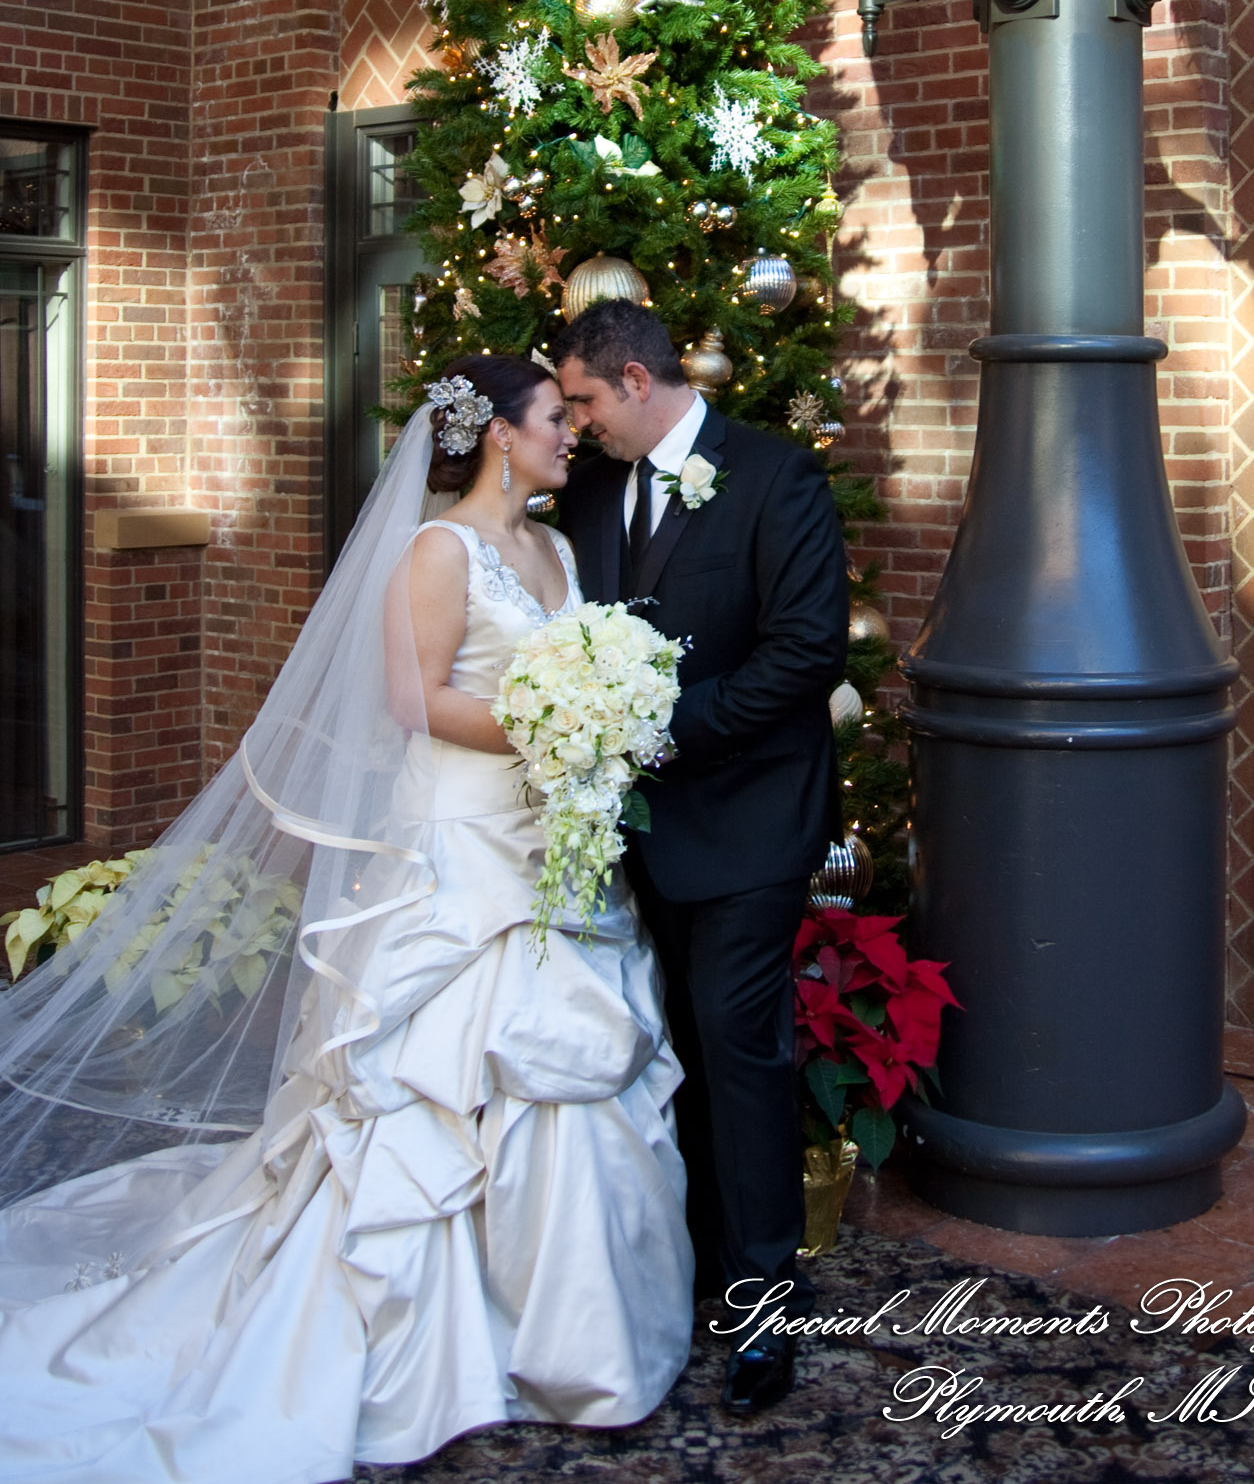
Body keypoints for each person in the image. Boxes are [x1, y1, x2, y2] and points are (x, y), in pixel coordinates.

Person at [0, 353, 693, 1482]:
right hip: (464, 856)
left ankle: (565, 1333)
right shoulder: (439, 550)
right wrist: (558, 722)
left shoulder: (560, 550)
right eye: (550, 418)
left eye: (573, 417)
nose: (569, 433)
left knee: (570, 1065)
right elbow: (414, 699)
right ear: (499, 437)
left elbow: (568, 671)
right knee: (435, 1079)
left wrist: (597, 720)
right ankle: (434, 1336)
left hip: (550, 848)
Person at [554, 299, 849, 1414]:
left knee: (738, 1042)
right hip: (631, 834)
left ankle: (764, 1302)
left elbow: (808, 649)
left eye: (584, 398)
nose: (577, 424)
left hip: (751, 818)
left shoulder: (774, 478)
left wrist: (669, 726)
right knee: (664, 1043)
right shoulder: (587, 488)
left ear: (636, 379)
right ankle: (684, 1266)